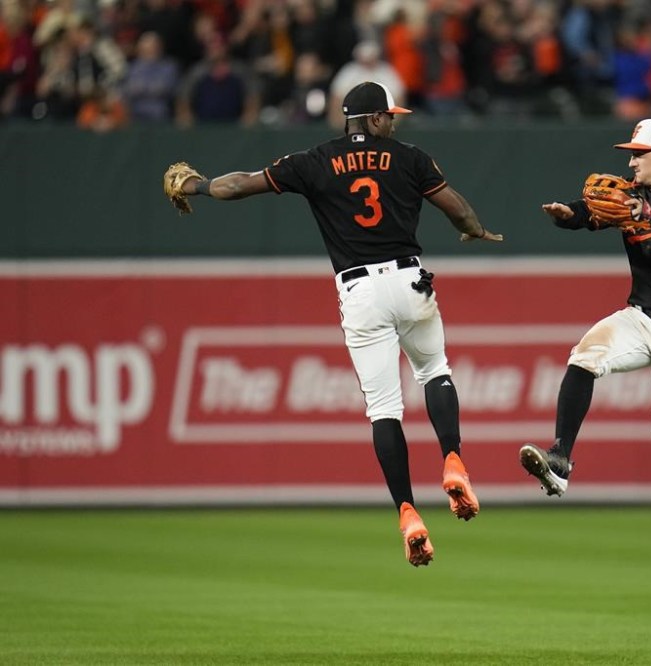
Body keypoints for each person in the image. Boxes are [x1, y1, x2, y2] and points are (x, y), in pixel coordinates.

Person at [164, 81, 504, 566]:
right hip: (410, 281)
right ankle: (452, 458)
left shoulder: (314, 159)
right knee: (434, 372)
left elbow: (236, 185)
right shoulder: (408, 157)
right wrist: (475, 231)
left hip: (360, 291)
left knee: (384, 410)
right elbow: (459, 209)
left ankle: (408, 511)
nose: (394, 121)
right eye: (388, 115)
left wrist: (196, 186)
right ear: (370, 118)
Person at [519, 118, 651, 524]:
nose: (631, 164)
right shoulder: (632, 195)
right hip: (642, 316)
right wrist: (569, 216)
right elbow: (593, 211)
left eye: (638, 155)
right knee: (586, 355)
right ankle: (560, 458)